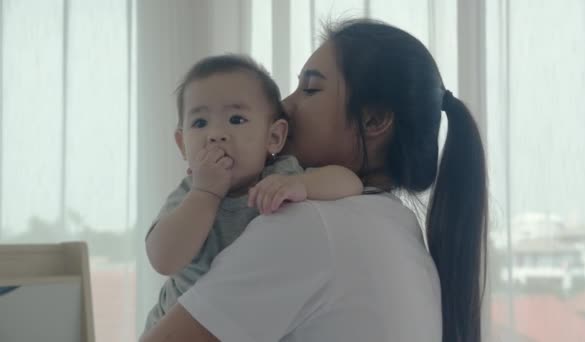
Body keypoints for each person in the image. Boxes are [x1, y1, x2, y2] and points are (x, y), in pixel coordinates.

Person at [141, 18, 487, 342]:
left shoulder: (306, 222)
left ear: (374, 120)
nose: (283, 106)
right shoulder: (397, 224)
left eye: (309, 89)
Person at [143, 54, 363, 330]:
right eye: (200, 123)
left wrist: (303, 185)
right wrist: (205, 194)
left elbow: (349, 182)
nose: (215, 134)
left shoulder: (281, 176)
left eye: (236, 119)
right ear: (182, 144)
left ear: (273, 137)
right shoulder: (189, 194)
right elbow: (163, 259)